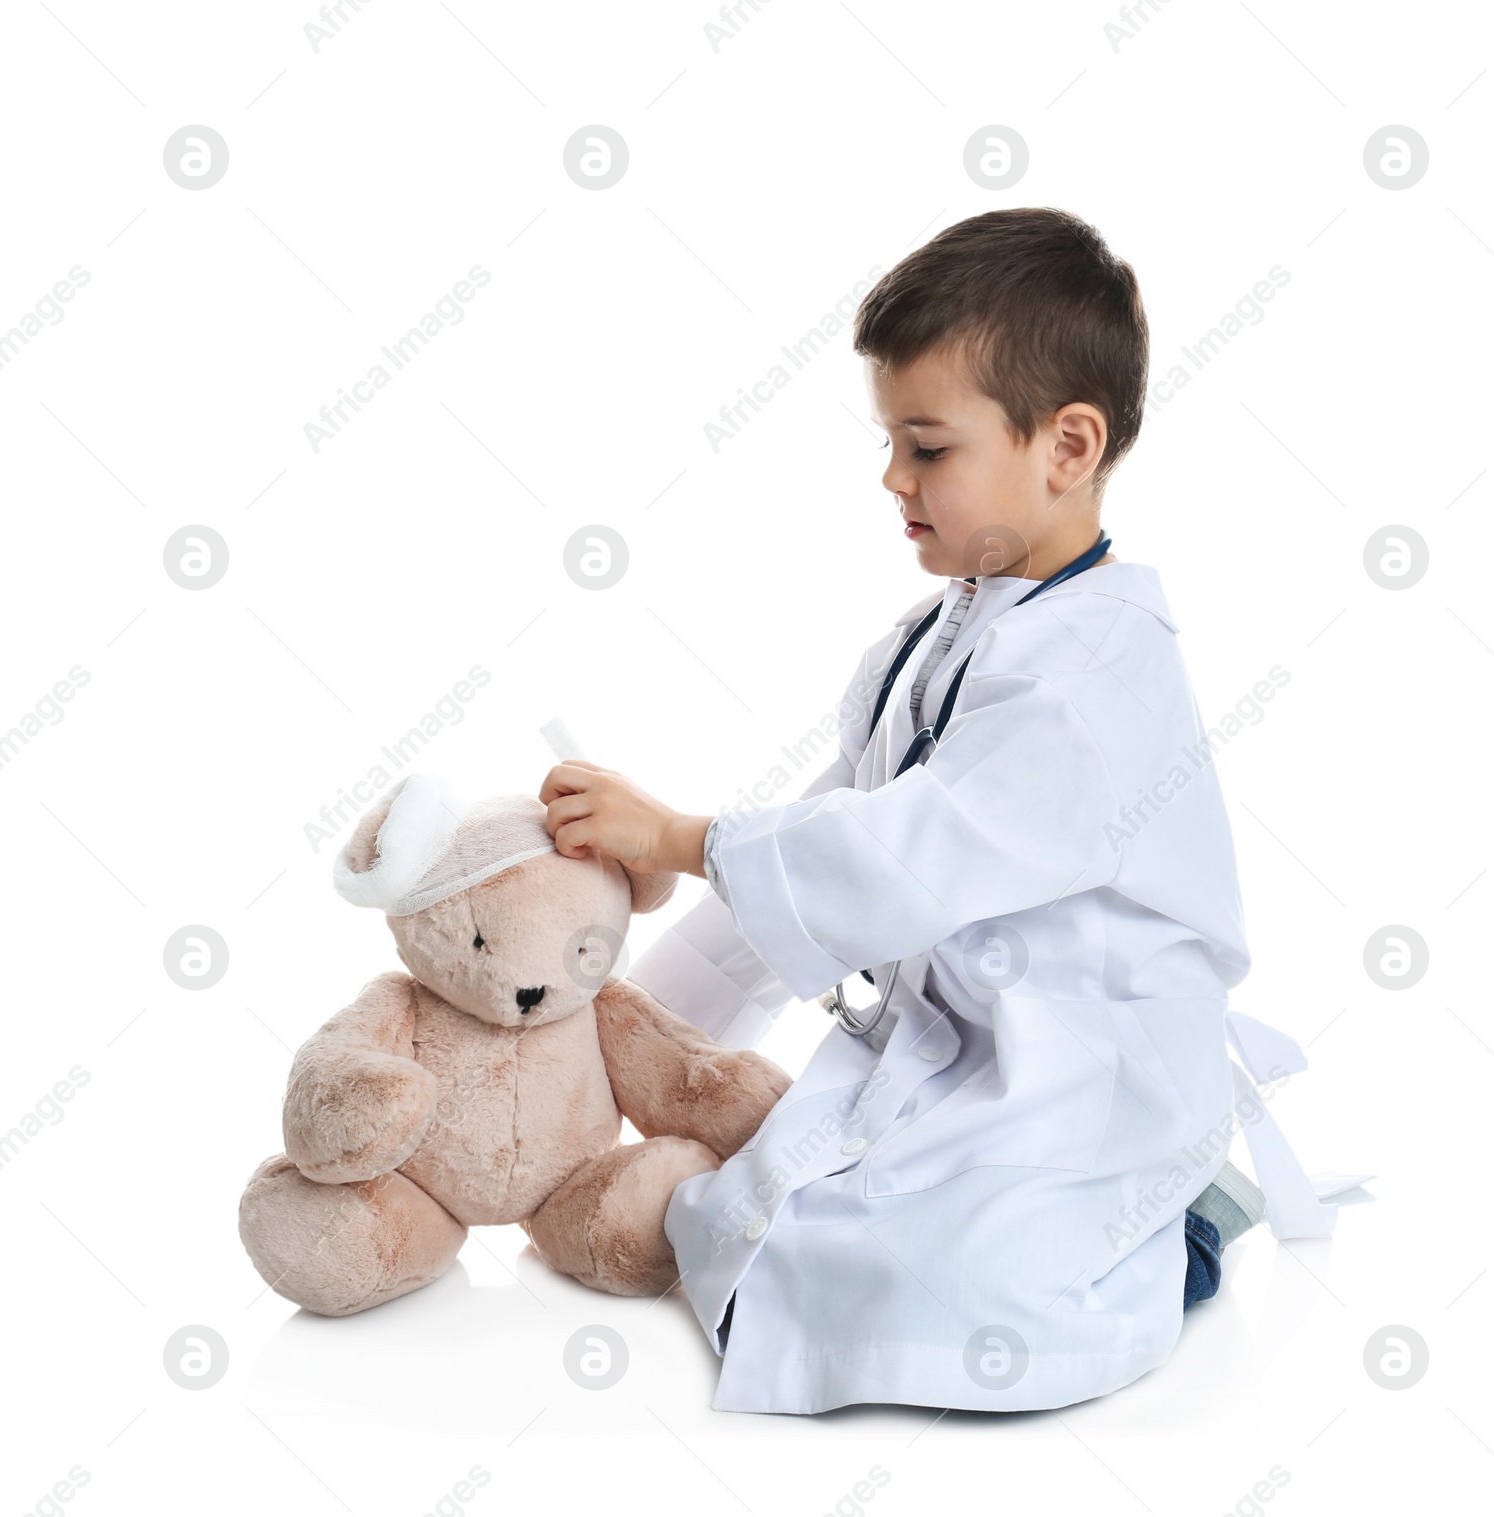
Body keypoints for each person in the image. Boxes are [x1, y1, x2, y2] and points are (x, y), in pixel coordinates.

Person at [539, 207, 1343, 1416]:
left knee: (963, 1290)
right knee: (761, 1217)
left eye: (926, 447)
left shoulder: (1099, 671)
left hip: (1083, 1076)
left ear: (1065, 446)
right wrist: (621, 1029)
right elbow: (831, 828)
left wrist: (684, 836)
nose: (891, 479)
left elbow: (906, 857)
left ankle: (1174, 1220)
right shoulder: (941, 631)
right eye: (890, 444)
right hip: (966, 1047)